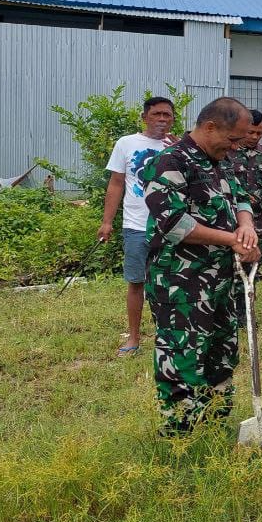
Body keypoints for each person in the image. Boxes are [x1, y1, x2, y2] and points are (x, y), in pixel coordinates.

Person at [142, 97, 258, 436]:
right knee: (183, 358)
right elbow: (174, 223)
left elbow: (240, 198)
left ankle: (215, 426)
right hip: (182, 285)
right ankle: (178, 436)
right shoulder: (169, 162)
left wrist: (246, 226)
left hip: (222, 282)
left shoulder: (219, 161)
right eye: (234, 139)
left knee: (221, 354)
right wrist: (230, 239)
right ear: (209, 127)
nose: (237, 147)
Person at [98, 96, 177, 355]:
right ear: (144, 117)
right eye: (156, 114)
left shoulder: (179, 146)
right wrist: (107, 222)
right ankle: (133, 338)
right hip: (136, 226)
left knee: (171, 281)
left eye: (167, 115)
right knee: (136, 282)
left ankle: (168, 336)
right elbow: (116, 183)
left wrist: (182, 150)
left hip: (171, 226)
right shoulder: (127, 143)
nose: (162, 119)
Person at [224, 109, 262, 278]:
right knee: (231, 267)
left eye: (259, 133)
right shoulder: (227, 152)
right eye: (250, 132)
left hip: (260, 219)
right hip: (234, 219)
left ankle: (249, 299)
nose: (255, 137)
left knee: (254, 266)